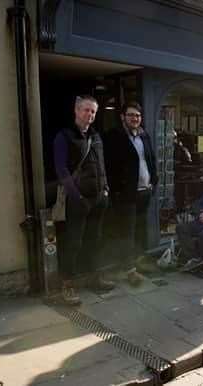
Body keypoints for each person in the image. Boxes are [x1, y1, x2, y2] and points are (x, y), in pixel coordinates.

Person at [54, 95, 112, 305]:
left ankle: (94, 277)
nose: (90, 114)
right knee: (74, 243)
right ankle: (67, 285)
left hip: (98, 198)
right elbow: (61, 169)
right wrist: (75, 196)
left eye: (93, 111)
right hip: (78, 200)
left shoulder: (97, 137)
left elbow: (102, 165)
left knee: (94, 241)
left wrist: (105, 189)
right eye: (86, 110)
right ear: (76, 111)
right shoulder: (65, 136)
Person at [103, 102, 158, 287]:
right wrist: (116, 191)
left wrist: (154, 182)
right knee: (127, 232)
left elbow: (151, 159)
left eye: (138, 115)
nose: (135, 118)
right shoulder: (115, 137)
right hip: (127, 195)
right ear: (122, 117)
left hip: (145, 192)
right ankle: (129, 270)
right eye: (131, 115)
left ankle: (137, 263)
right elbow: (110, 166)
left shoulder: (144, 135)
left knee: (140, 230)